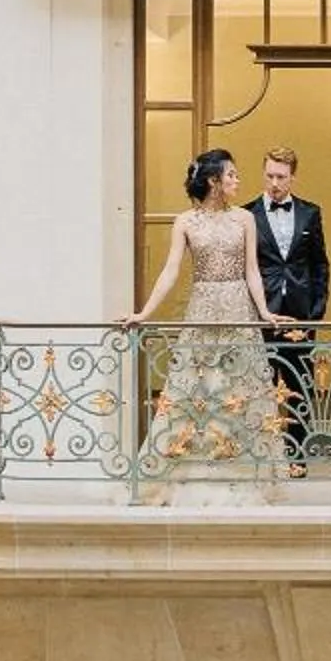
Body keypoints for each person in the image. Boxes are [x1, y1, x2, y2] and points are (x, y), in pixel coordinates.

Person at [122, 149, 288, 498]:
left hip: (237, 311)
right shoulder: (185, 222)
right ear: (214, 181)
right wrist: (144, 313)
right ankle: (188, 471)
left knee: (241, 389)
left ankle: (243, 471)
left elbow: (252, 272)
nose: (237, 181)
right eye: (231, 175)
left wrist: (264, 313)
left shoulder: (245, 218)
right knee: (193, 389)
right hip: (202, 310)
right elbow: (170, 271)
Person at [246, 147, 330, 474]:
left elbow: (320, 264)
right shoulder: (247, 214)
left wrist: (316, 311)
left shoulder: (311, 213)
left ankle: (296, 458)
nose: (275, 183)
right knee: (259, 382)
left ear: (293, 176)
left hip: (299, 313)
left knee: (298, 385)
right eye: (269, 175)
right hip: (261, 312)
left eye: (281, 176)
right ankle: (262, 456)